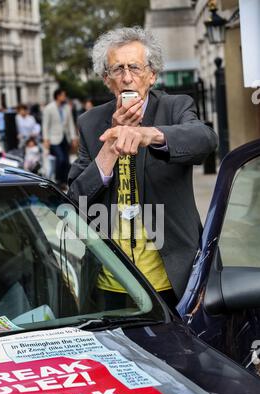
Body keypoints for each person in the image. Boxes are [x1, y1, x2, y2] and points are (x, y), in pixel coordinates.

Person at [68, 27, 218, 311]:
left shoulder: (175, 108)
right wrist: (110, 146)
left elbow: (205, 139)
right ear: (106, 80)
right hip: (111, 280)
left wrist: (151, 135)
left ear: (152, 75)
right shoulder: (90, 122)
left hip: (172, 279)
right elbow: (77, 198)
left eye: (135, 67)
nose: (127, 77)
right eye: (117, 69)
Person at [42, 88, 77, 190]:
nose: (65, 97)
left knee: (66, 161)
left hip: (64, 138)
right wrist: (46, 139)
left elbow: (70, 123)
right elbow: (45, 125)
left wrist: (73, 137)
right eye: (63, 95)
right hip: (53, 139)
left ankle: (64, 181)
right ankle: (57, 180)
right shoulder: (49, 108)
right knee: (60, 158)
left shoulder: (67, 108)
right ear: (57, 96)